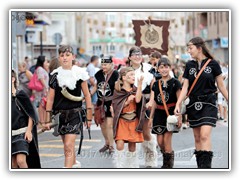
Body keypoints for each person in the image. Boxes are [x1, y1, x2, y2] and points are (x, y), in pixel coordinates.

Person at [174, 37, 228, 168]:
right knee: (197, 138)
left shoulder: (213, 64)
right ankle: (201, 168)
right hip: (193, 104)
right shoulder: (189, 65)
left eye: (190, 48)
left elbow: (221, 86)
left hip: (208, 103)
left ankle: (206, 169)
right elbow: (185, 86)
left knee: (204, 136)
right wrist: (178, 103)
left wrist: (229, 100)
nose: (188, 51)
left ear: (199, 48)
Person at [44, 45, 93, 168]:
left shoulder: (80, 73)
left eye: (67, 55)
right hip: (59, 115)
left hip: (75, 114)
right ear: (59, 58)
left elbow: (87, 95)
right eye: (62, 55)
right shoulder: (54, 75)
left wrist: (89, 117)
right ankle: (75, 164)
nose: (64, 58)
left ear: (73, 57)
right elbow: (50, 98)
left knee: (68, 146)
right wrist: (47, 119)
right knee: (67, 147)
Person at [126, 46, 158, 168]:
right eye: (134, 54)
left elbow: (154, 87)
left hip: (145, 102)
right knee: (131, 133)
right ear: (130, 57)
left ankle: (150, 159)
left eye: (139, 54)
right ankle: (131, 164)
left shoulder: (149, 69)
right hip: (130, 102)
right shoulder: (124, 70)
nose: (137, 56)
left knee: (146, 132)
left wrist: (151, 101)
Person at [149, 57, 182, 168]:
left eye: (166, 67)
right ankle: (168, 157)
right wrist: (151, 118)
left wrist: (179, 116)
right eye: (161, 67)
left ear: (170, 68)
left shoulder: (175, 82)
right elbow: (154, 101)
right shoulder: (155, 84)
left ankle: (167, 166)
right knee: (160, 142)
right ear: (158, 69)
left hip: (171, 115)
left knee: (167, 140)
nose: (164, 70)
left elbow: (179, 101)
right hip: (158, 114)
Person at [112, 67, 144, 168]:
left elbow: (138, 100)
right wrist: (127, 101)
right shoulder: (118, 91)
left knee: (132, 145)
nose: (133, 77)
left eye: (134, 75)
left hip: (133, 120)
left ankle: (131, 166)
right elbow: (116, 106)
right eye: (131, 75)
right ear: (124, 77)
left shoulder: (134, 89)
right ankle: (120, 165)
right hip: (122, 120)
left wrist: (139, 86)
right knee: (120, 143)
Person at [11, 69, 41, 168]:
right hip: (10, 134)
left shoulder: (20, 94)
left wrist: (28, 131)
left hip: (22, 133)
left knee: (21, 161)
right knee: (13, 164)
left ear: (12, 79)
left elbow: (31, 114)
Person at [90, 55, 119, 154]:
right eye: (102, 64)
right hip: (100, 102)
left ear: (111, 64)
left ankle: (111, 145)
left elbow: (118, 88)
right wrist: (88, 95)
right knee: (102, 124)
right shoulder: (98, 74)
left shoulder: (116, 74)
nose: (103, 66)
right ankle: (107, 143)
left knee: (109, 125)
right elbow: (95, 86)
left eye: (106, 64)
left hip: (111, 102)